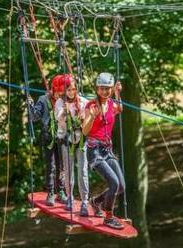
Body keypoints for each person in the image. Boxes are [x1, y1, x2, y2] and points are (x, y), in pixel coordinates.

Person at [82, 72, 125, 229]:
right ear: (97, 89)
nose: (105, 92)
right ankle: (109, 217)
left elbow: (120, 108)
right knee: (113, 183)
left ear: (112, 89)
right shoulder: (91, 106)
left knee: (121, 187)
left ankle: (96, 201)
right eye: (102, 88)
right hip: (95, 151)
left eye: (108, 89)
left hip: (107, 150)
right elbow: (84, 131)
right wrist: (92, 117)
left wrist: (119, 93)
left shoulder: (112, 104)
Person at [28, 75, 67, 206]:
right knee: (51, 166)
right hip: (48, 137)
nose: (60, 95)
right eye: (59, 93)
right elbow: (34, 117)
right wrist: (31, 106)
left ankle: (61, 192)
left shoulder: (65, 101)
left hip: (62, 137)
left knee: (62, 166)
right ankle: (50, 193)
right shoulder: (43, 100)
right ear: (53, 89)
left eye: (63, 93)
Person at [54, 74, 90, 217]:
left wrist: (84, 116)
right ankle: (70, 197)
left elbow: (91, 110)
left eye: (73, 90)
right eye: (68, 90)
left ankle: (85, 201)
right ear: (64, 91)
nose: (71, 93)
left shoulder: (82, 101)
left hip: (81, 140)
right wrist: (65, 112)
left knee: (82, 170)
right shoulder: (59, 103)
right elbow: (58, 119)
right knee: (68, 171)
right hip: (67, 140)